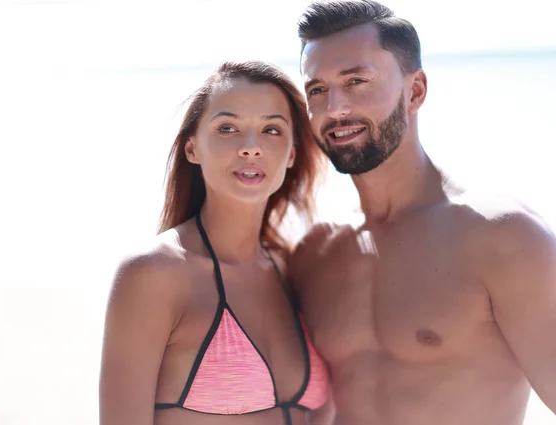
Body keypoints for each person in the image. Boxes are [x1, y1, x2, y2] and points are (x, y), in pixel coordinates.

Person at [288, 1, 556, 425]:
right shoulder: (314, 255)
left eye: (356, 81)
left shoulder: (502, 237)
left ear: (415, 91)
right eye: (317, 89)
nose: (335, 108)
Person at [99, 60, 330, 425]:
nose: (251, 147)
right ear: (193, 149)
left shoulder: (295, 272)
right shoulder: (154, 275)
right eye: (227, 128)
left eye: (272, 129)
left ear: (291, 154)